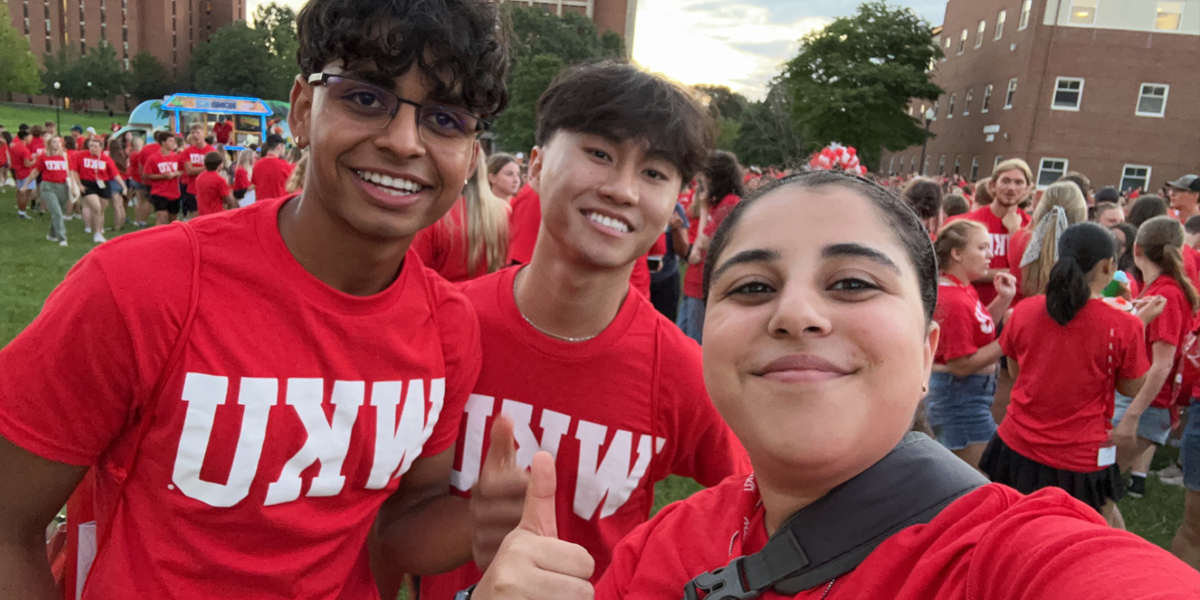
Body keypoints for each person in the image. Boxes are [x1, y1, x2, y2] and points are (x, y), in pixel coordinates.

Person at [469, 171, 1200, 600]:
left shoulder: (996, 560)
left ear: (926, 351)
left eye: (851, 282)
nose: (794, 314)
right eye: (752, 286)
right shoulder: (664, 545)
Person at [0, 0, 512, 598]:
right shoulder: (140, 287)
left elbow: (402, 520)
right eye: (366, 98)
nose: (404, 142)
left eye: (445, 119)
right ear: (301, 110)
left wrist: (482, 519)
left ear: (471, 154)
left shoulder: (448, 327)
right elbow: (8, 525)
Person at [414, 61, 748, 600]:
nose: (622, 190)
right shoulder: (445, 325)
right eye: (599, 154)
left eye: (654, 173)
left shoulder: (680, 369)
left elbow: (759, 503)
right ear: (539, 164)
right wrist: (471, 525)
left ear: (674, 204)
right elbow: (385, 527)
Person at [983, 222, 1164, 529]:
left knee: (1012, 533)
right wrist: (1139, 324)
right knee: (1081, 543)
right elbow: (1132, 387)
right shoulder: (1123, 326)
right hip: (1080, 460)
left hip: (1016, 446)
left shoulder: (1024, 311)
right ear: (1109, 266)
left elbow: (1017, 372)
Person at [1112, 217, 1200, 498]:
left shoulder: (1168, 294)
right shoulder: (1158, 287)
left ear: (1136, 249)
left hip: (1147, 404)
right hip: (1142, 400)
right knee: (1101, 487)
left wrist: (1131, 416)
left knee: (1096, 486)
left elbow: (1162, 363)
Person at [925, 219, 1016, 467]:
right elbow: (961, 365)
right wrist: (1010, 337)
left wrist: (1003, 300)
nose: (991, 254)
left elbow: (978, 330)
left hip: (967, 397)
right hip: (959, 400)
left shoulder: (961, 288)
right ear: (957, 253)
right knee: (982, 477)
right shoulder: (953, 299)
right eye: (982, 247)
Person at [411, 147, 509, 282]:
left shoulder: (434, 214)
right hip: (488, 297)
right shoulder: (505, 211)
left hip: (442, 299)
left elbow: (416, 273)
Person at [677, 150, 744, 344]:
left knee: (696, 340)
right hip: (695, 276)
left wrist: (704, 208)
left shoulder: (729, 204)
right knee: (682, 333)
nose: (701, 182)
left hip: (705, 280)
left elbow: (704, 241)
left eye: (704, 177)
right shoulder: (717, 203)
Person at [948, 160, 1032, 305]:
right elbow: (955, 269)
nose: (1011, 188)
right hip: (973, 306)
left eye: (1018, 183)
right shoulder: (969, 223)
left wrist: (1015, 232)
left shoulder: (1031, 227)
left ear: (1027, 189)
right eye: (1005, 181)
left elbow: (1031, 277)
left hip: (1012, 312)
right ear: (993, 186)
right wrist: (1006, 273)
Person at [1008, 181, 1087, 302]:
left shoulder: (1019, 239)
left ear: (1041, 208)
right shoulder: (1084, 250)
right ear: (1081, 214)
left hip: (1018, 313)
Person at [71, 137, 127, 244]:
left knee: (101, 211)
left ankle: (98, 229)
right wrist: (79, 184)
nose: (93, 149)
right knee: (96, 207)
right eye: (91, 146)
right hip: (87, 184)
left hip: (102, 184)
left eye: (95, 146)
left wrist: (123, 186)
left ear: (101, 148)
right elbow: (74, 171)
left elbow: (115, 174)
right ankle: (96, 233)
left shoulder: (106, 159)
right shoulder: (81, 155)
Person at [143, 134, 184, 225]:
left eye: (174, 141)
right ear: (163, 143)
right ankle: (158, 237)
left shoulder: (176, 157)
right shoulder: (153, 158)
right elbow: (146, 175)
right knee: (162, 217)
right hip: (159, 192)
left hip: (174, 192)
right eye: (171, 141)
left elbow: (182, 170)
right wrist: (163, 176)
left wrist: (176, 174)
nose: (173, 143)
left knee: (173, 219)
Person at [181, 125, 218, 219]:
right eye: (193, 133)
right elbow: (189, 170)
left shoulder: (212, 151)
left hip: (208, 189)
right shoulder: (188, 151)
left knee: (208, 217)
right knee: (195, 216)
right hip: (192, 188)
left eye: (197, 132)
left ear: (203, 134)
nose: (195, 135)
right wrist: (207, 167)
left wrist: (199, 169)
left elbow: (216, 169)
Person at [251, 134, 294, 201]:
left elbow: (255, 185)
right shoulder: (284, 165)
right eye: (284, 148)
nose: (284, 151)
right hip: (279, 206)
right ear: (279, 147)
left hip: (261, 206)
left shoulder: (257, 164)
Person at [193, 151, 235, 216]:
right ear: (220, 165)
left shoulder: (199, 177)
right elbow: (228, 200)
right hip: (216, 214)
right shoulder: (219, 180)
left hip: (202, 213)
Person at [9, 130, 34, 219]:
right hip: (26, 173)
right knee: (26, 193)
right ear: (25, 137)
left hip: (17, 171)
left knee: (19, 192)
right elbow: (27, 164)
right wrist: (35, 160)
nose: (31, 138)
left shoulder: (15, 147)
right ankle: (22, 212)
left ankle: (20, 210)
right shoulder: (24, 150)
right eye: (30, 136)